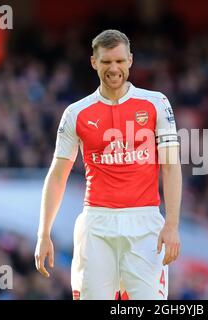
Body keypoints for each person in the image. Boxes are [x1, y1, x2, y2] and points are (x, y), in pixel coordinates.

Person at [34, 29, 182, 300]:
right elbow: (57, 175)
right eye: (106, 62)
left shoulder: (156, 103)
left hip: (145, 224)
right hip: (97, 224)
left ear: (130, 61)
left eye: (119, 61)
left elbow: (171, 166)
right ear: (94, 62)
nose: (113, 68)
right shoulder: (76, 113)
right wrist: (43, 233)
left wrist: (171, 224)